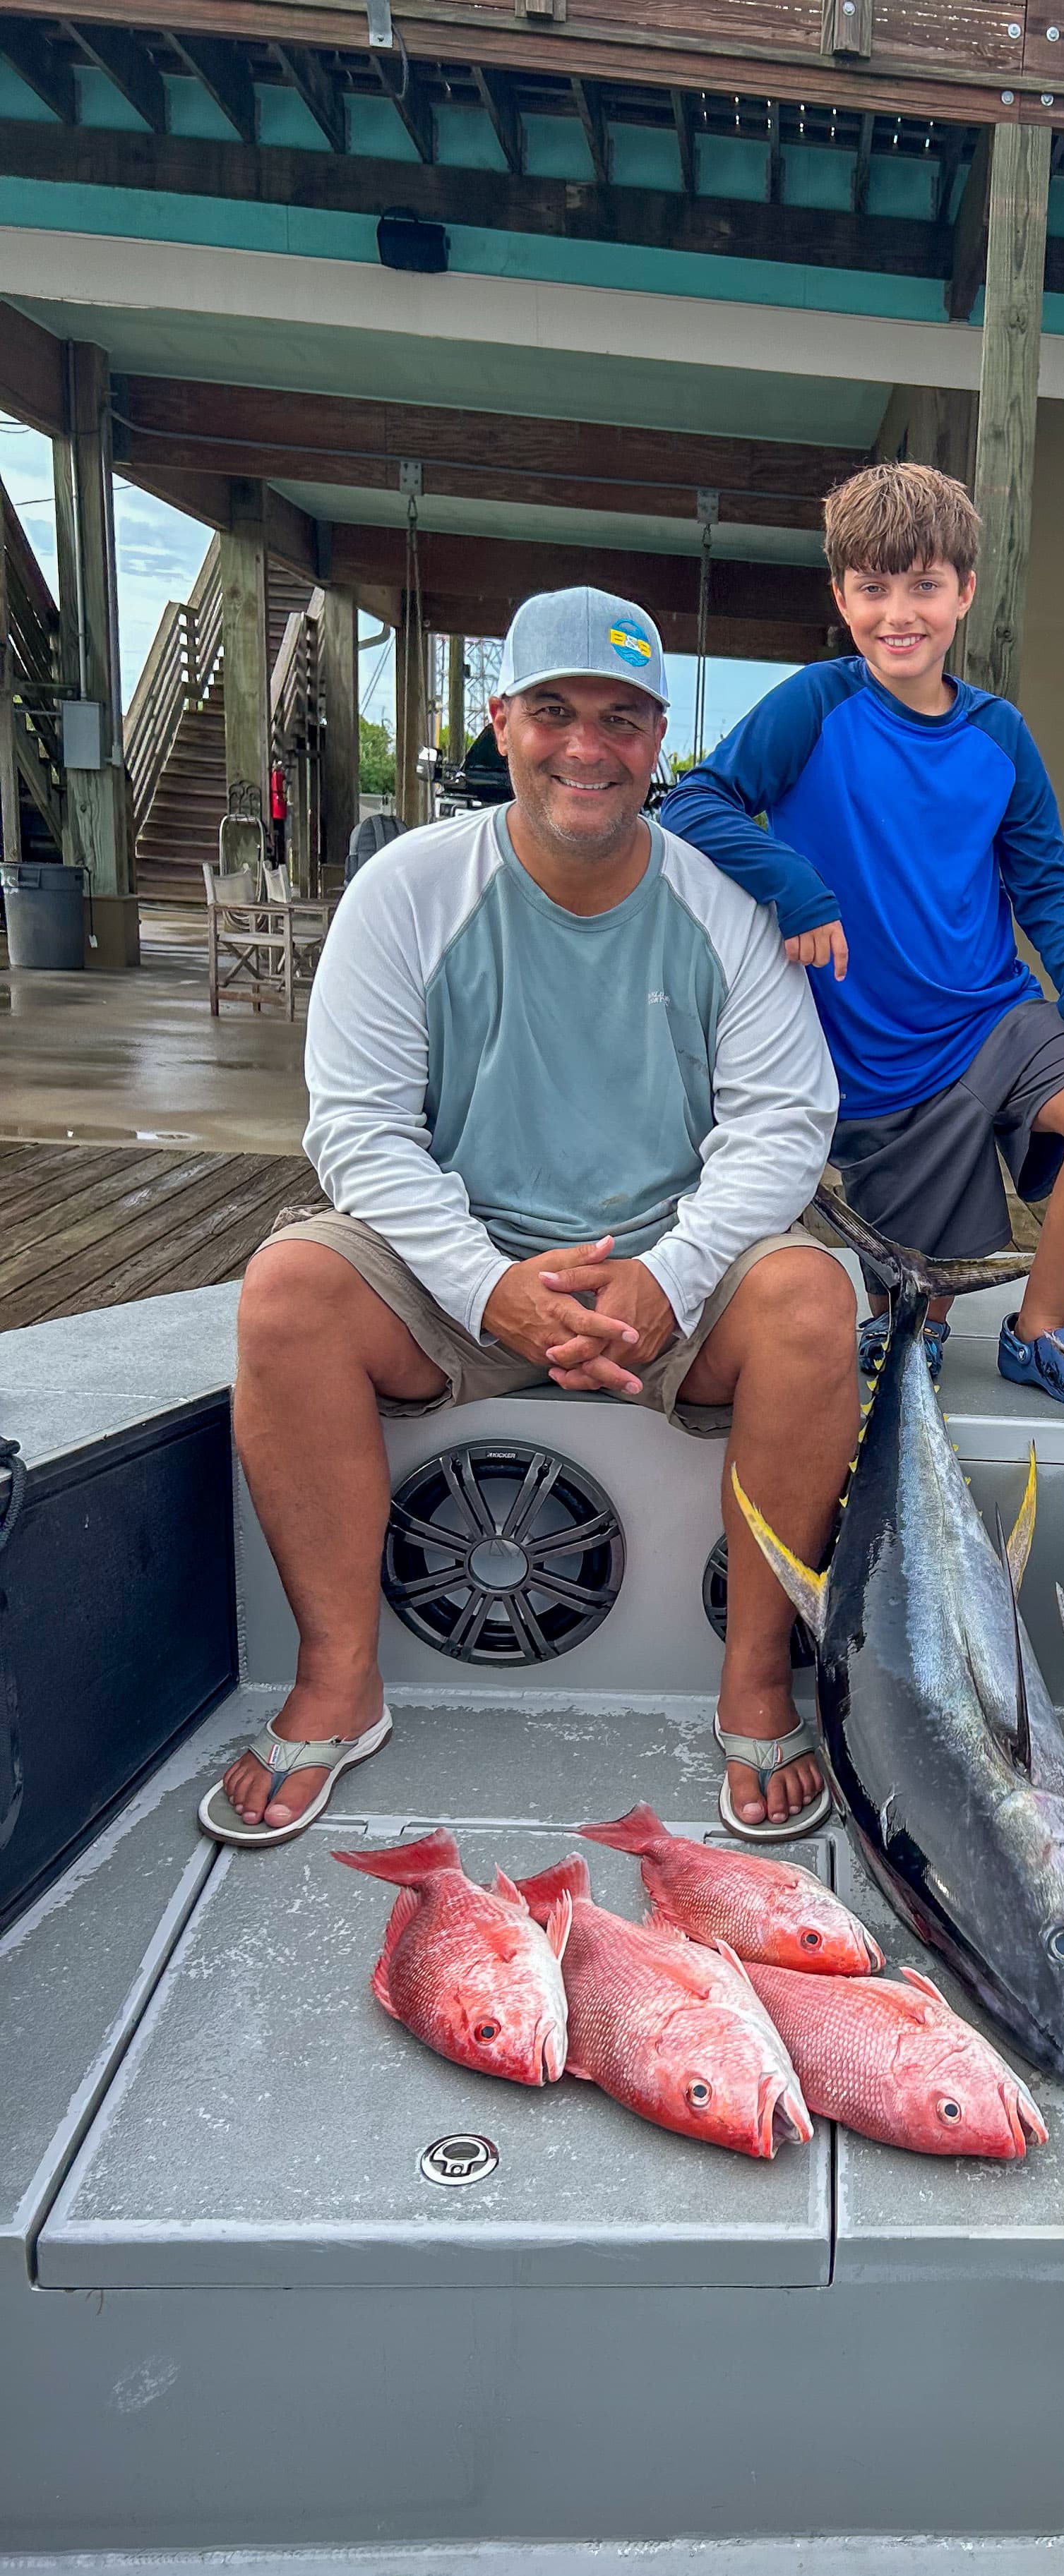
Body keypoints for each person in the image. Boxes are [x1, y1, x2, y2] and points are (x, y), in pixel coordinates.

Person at [203, 587, 854, 1851]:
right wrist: (483, 1283)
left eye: (619, 718)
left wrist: (669, 1275)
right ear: (499, 723)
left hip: (662, 1281)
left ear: (658, 739)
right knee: (288, 1287)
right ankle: (340, 1682)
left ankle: (756, 1677)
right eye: (554, 710)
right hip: (461, 1275)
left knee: (811, 1299)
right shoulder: (408, 889)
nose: (585, 747)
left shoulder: (722, 904)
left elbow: (783, 1121)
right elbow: (357, 1127)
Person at [659, 462, 1064, 1410]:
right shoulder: (816, 702)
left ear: (964, 593)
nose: (900, 613)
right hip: (868, 1059)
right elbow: (695, 802)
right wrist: (798, 889)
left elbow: (1045, 883)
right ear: (842, 594)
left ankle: (1043, 1328)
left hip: (992, 1020)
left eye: (924, 586)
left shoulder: (1000, 734)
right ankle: (915, 1315)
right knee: (911, 1337)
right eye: (874, 587)